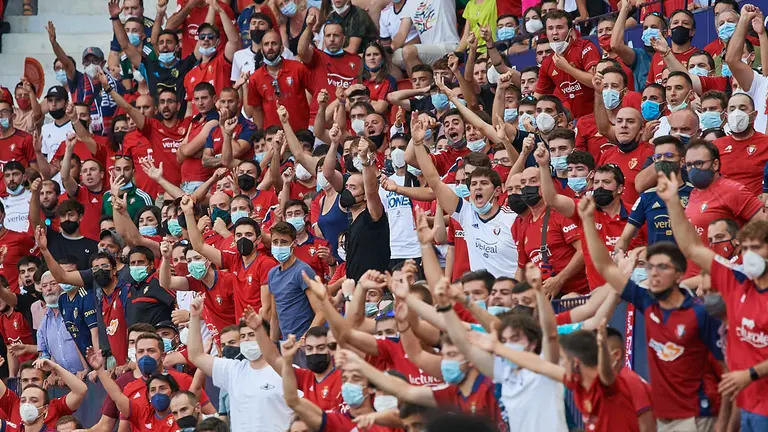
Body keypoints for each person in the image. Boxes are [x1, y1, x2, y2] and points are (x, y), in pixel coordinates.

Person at [579, 194, 725, 430]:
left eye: (662, 267)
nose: (654, 273)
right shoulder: (648, 303)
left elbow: (725, 373)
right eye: (650, 267)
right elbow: (605, 267)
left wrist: (725, 423)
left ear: (679, 275)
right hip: (662, 418)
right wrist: (587, 219)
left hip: (697, 417)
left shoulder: (701, 314)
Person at [657, 168, 768, 432]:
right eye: (746, 248)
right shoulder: (735, 279)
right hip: (749, 404)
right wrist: (672, 203)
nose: (750, 255)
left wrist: (750, 374)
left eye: (757, 248)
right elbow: (691, 248)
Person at [187, 297, 294, 432]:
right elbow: (196, 356)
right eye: (243, 336)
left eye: (252, 334)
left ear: (266, 337)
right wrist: (195, 317)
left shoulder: (285, 371)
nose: (247, 339)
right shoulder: (232, 370)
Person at [617, 135, 694, 250]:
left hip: (689, 259)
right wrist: (619, 255)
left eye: (669, 156)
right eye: (658, 157)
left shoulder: (694, 193)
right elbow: (624, 239)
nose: (662, 160)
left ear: (682, 161)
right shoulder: (647, 196)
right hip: (657, 259)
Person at [342, 138, 390, 280]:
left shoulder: (372, 217)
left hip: (375, 287)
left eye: (353, 188)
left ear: (364, 196)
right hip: (356, 288)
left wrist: (365, 161)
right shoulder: (352, 224)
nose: (347, 191)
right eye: (347, 187)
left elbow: (372, 192)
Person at [246, 30, 312, 130]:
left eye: (274, 43)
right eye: (266, 44)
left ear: (281, 49)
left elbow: (315, 93)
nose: (270, 47)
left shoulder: (298, 68)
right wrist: (260, 135)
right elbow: (257, 110)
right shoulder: (255, 78)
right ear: (262, 50)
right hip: (273, 135)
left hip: (301, 133)